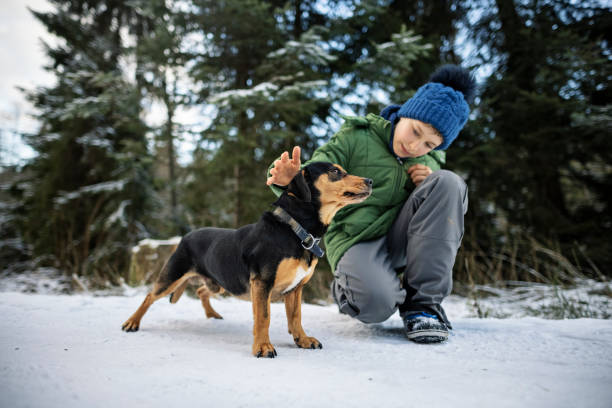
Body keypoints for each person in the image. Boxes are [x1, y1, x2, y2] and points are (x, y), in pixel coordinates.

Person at [266, 65, 475, 343]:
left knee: (449, 183)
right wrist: (290, 178)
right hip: (356, 240)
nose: (416, 147)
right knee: (375, 305)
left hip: (402, 240)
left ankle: (423, 306)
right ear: (405, 113)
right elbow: (318, 170)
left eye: (429, 144)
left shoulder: (429, 165)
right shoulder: (356, 138)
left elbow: (445, 215)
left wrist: (429, 183)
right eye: (415, 132)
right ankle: (348, 288)